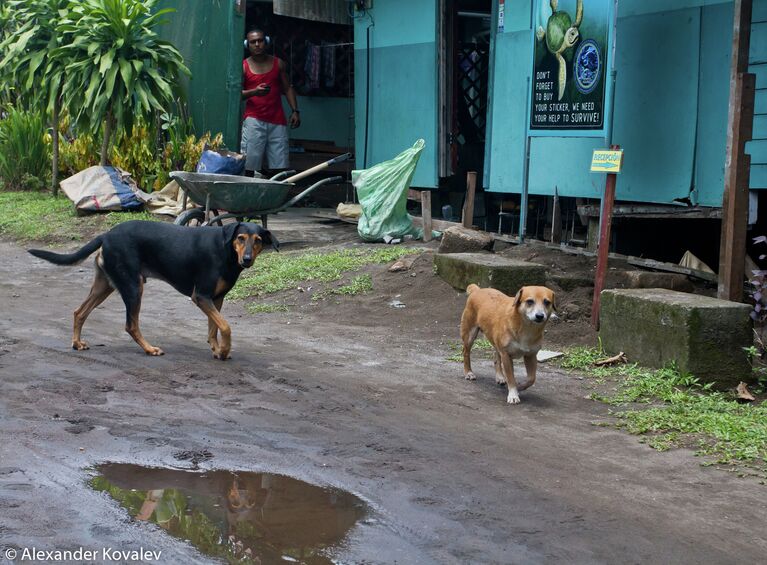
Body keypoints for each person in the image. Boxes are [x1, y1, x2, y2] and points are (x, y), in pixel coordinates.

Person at [241, 28, 301, 176]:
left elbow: (287, 88)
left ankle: (276, 196)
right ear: (247, 45)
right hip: (254, 121)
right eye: (253, 42)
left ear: (266, 42)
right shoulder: (243, 66)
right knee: (250, 165)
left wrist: (295, 111)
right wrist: (254, 91)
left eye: (260, 41)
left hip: (277, 121)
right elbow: (237, 95)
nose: (257, 44)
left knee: (279, 166)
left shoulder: (278, 63)